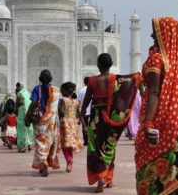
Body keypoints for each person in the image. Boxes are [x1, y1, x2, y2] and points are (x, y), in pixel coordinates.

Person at [135, 17, 178, 195]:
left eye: (156, 31)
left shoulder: (157, 59)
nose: (152, 34)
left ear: (165, 33)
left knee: (150, 171)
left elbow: (154, 92)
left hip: (160, 122)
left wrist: (148, 122)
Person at [81, 53, 141, 193]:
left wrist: (83, 111)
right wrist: (137, 77)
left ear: (98, 65)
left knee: (95, 147)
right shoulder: (115, 79)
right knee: (109, 146)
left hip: (96, 118)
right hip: (111, 117)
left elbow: (87, 100)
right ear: (111, 64)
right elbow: (127, 88)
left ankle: (100, 178)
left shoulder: (92, 81)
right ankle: (108, 179)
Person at [25, 69, 60, 177]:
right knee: (49, 143)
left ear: (40, 78)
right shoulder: (55, 90)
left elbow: (33, 103)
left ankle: (44, 164)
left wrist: (28, 116)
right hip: (52, 122)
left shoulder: (37, 89)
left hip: (40, 122)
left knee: (41, 144)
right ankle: (44, 164)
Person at [59, 81, 84, 173]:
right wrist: (84, 126)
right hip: (74, 124)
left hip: (65, 123)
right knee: (70, 143)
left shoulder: (63, 100)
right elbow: (80, 115)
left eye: (62, 89)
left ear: (65, 90)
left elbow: (60, 113)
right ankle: (70, 160)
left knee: (64, 144)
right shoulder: (76, 102)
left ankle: (69, 160)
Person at [15, 82, 34, 153]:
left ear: (21, 87)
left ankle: (22, 147)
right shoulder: (28, 94)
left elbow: (17, 105)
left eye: (18, 86)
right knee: (28, 128)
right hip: (28, 113)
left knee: (21, 130)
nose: (17, 88)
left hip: (21, 113)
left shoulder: (20, 94)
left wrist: (15, 112)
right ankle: (29, 144)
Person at [77, 76, 90, 146]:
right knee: (92, 126)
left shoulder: (81, 91)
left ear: (84, 82)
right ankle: (92, 140)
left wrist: (78, 111)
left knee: (84, 126)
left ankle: (86, 141)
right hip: (91, 111)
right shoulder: (92, 89)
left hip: (84, 111)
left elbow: (78, 102)